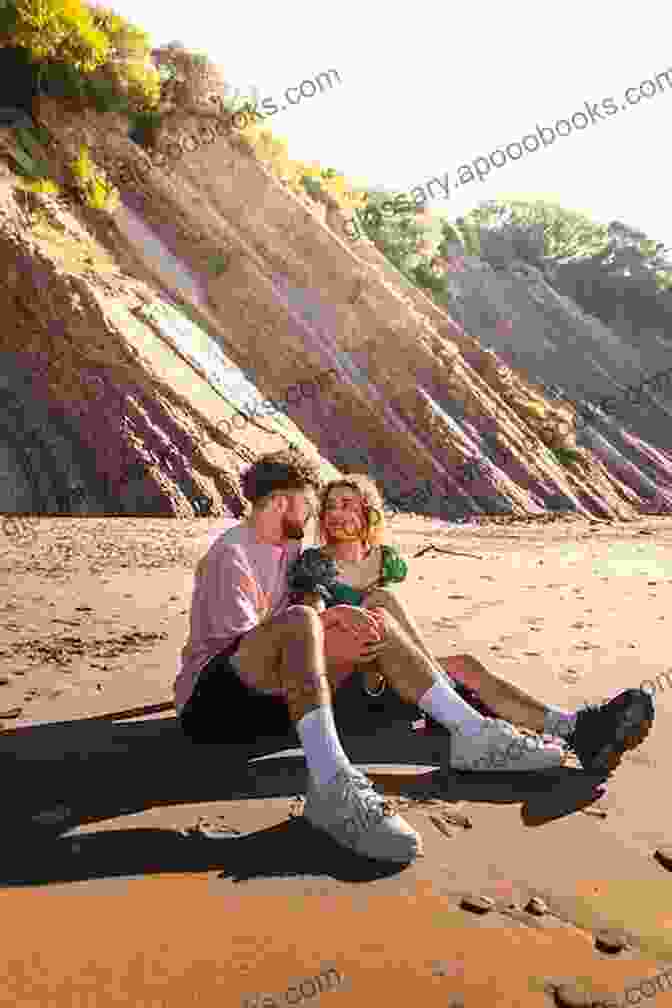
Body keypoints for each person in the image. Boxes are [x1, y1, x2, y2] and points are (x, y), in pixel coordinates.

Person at [174, 453, 653, 865]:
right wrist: (326, 616)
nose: (315, 511)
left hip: (279, 699)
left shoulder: (292, 549)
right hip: (215, 706)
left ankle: (478, 733)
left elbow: (302, 630)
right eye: (307, 501)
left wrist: (342, 618)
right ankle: (331, 785)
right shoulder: (231, 556)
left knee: (373, 616)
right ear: (282, 502)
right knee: (308, 620)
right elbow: (245, 651)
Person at [289, 474, 655, 775]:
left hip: (397, 672)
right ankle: (461, 704)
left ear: (367, 513)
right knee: (382, 602)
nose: (336, 515)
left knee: (465, 663)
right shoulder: (315, 562)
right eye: (330, 507)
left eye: (347, 506)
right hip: (353, 682)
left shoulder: (381, 561)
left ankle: (576, 728)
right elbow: (310, 623)